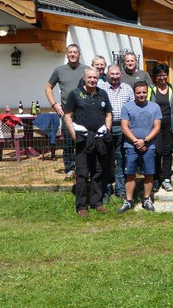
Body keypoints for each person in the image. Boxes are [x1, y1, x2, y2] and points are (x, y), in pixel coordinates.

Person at [63, 67, 112, 217]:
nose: (92, 80)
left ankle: (96, 202)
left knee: (98, 171)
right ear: (84, 78)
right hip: (83, 140)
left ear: (98, 79)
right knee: (82, 173)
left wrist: (107, 130)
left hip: (99, 139)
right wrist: (73, 134)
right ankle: (81, 206)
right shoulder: (75, 94)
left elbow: (108, 114)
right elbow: (67, 115)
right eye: (89, 77)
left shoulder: (102, 94)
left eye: (95, 78)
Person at [45, 43, 87, 179]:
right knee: (68, 142)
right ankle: (69, 168)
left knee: (84, 141)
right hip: (67, 113)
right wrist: (54, 104)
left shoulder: (86, 70)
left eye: (75, 52)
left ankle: (84, 166)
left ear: (79, 55)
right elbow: (48, 87)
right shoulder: (59, 70)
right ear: (67, 54)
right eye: (70, 52)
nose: (73, 54)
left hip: (84, 113)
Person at [119, 81, 162, 214]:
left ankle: (147, 199)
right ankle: (129, 200)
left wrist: (145, 141)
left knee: (149, 173)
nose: (141, 95)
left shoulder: (155, 107)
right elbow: (124, 126)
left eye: (144, 92)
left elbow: (157, 127)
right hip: (130, 145)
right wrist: (136, 141)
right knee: (130, 173)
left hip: (149, 145)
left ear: (147, 92)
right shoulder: (127, 107)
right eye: (138, 92)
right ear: (134, 93)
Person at [101, 64, 134, 202]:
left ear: (121, 74)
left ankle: (120, 190)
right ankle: (107, 190)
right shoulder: (101, 88)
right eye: (112, 74)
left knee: (121, 159)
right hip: (106, 127)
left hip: (123, 128)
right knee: (106, 159)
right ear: (108, 74)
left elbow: (133, 108)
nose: (114, 76)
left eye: (117, 74)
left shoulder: (127, 88)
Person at [148, 64, 173, 192]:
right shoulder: (151, 89)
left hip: (169, 124)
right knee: (157, 151)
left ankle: (166, 179)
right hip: (155, 124)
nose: (162, 77)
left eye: (164, 74)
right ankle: (156, 178)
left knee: (167, 151)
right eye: (159, 75)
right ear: (155, 76)